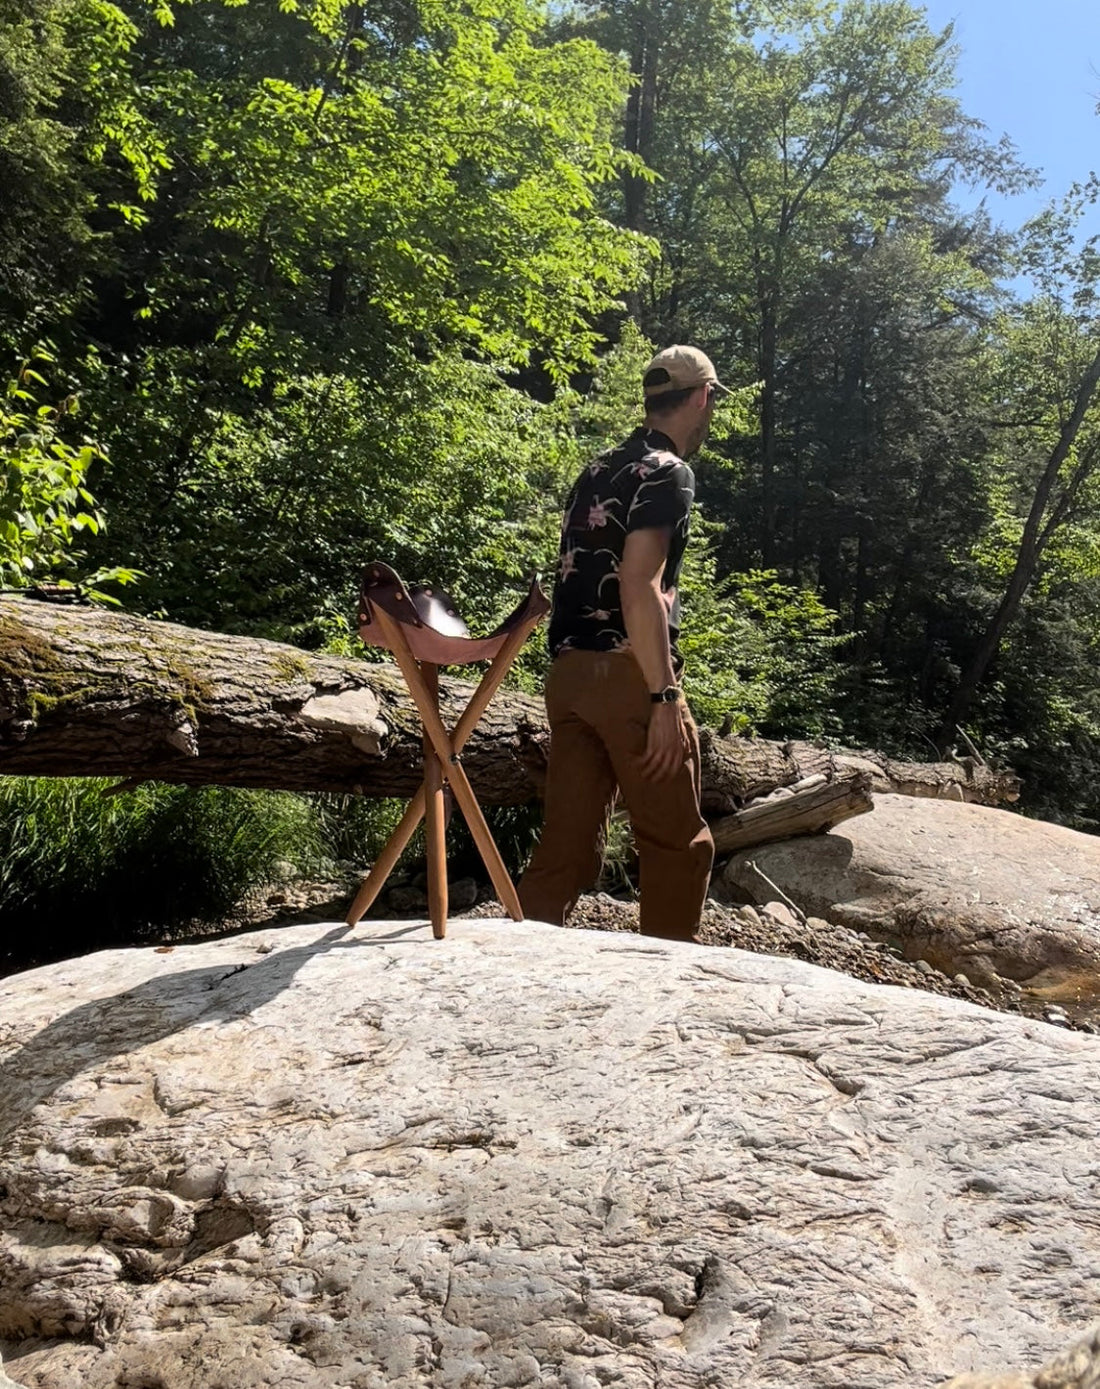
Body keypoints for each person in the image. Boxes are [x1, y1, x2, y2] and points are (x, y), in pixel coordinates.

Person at [518, 344, 723, 942]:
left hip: (569, 676)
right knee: (677, 846)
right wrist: (662, 699)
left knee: (567, 849)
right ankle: (667, 992)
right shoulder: (669, 473)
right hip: (629, 677)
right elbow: (641, 583)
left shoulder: (598, 469)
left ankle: (521, 968)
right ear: (702, 397)